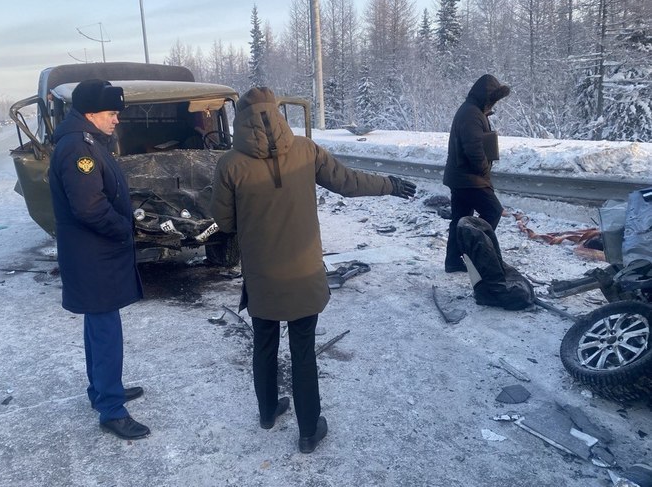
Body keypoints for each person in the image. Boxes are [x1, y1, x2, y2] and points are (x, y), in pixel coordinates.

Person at [210, 87, 416, 454]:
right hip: (304, 275)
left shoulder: (230, 164)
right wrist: (390, 185)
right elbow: (348, 183)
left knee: (264, 343)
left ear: (240, 118)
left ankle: (268, 412)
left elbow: (223, 222)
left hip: (262, 276)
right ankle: (308, 431)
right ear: (277, 114)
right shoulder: (306, 151)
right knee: (302, 350)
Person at [49, 79, 149, 441]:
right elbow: (89, 207)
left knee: (99, 325)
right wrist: (124, 227)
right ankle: (111, 408)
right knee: (106, 330)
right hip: (94, 254)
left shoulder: (84, 140)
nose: (116, 120)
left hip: (93, 253)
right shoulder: (79, 149)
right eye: (111, 113)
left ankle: (104, 390)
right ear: (91, 114)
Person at [443, 74, 510, 273]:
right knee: (493, 211)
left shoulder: (471, 111)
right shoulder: (472, 114)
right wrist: (484, 173)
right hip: (469, 179)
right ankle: (478, 255)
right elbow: (474, 149)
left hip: (460, 177)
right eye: (492, 100)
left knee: (460, 218)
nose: (493, 105)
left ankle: (453, 261)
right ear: (485, 97)